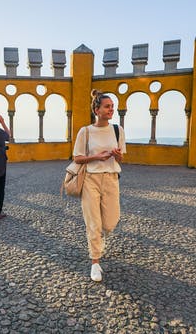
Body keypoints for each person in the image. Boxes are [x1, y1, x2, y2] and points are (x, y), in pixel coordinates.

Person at [72, 90, 126, 282]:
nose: (111, 109)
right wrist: (97, 156)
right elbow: (77, 158)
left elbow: (122, 158)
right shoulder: (85, 131)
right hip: (90, 179)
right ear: (97, 109)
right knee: (93, 222)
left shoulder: (118, 130)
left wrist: (117, 155)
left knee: (110, 221)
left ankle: (98, 240)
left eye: (112, 106)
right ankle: (95, 262)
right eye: (107, 106)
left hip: (111, 178)